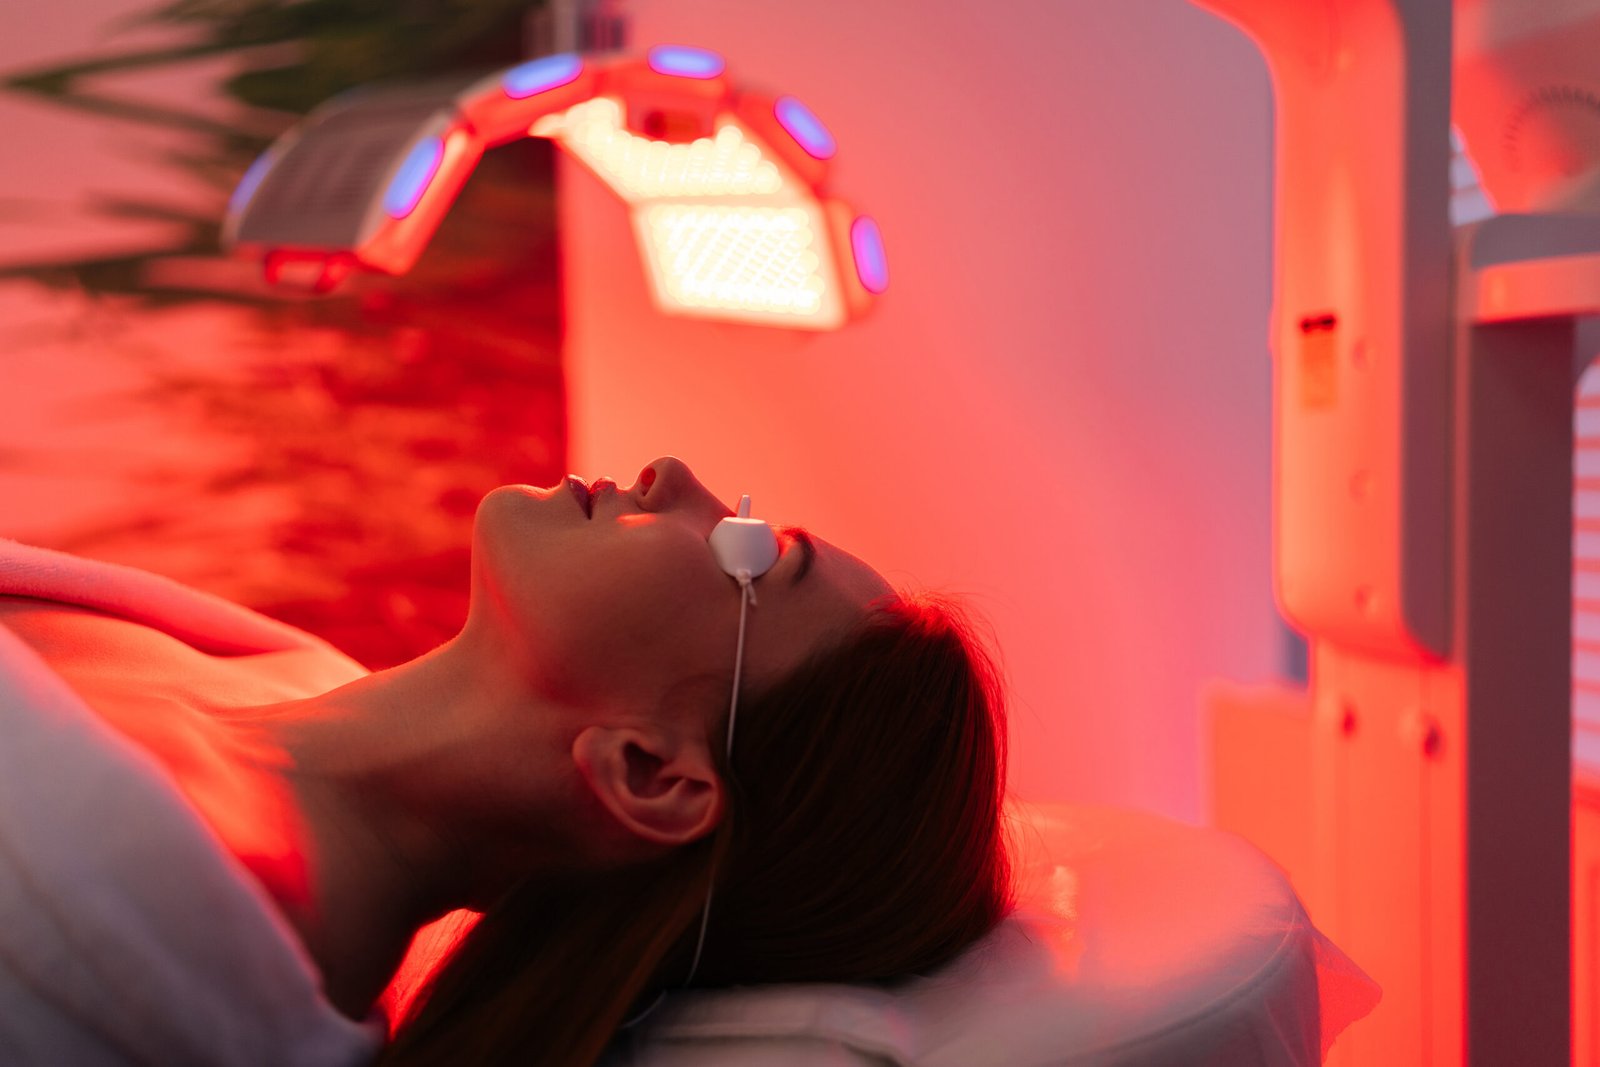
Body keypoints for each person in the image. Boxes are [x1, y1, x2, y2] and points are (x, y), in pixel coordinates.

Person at [0, 456, 1013, 1067]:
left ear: (651, 774)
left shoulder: (149, 935)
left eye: (748, 550)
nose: (671, 473)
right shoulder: (296, 674)